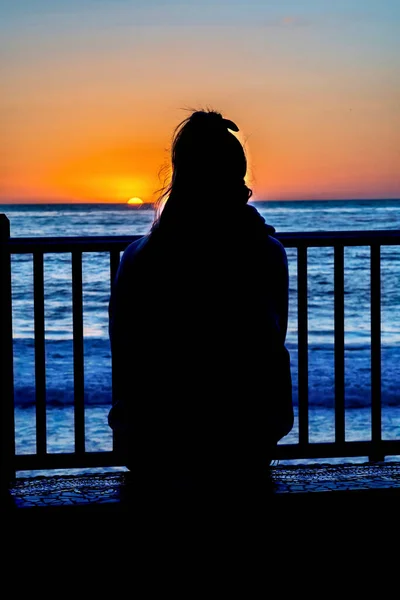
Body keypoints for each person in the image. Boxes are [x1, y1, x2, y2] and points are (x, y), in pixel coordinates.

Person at [108, 108, 293, 503]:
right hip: (245, 438)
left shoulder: (138, 258)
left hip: (153, 442)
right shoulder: (266, 255)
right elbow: (271, 348)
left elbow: (126, 357)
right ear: (235, 182)